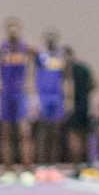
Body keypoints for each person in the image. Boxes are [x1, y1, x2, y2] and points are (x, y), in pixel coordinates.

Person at [0, 18, 34, 176]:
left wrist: (31, 81)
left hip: (20, 94)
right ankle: (8, 170)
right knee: (6, 132)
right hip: (5, 95)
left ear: (20, 29)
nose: (13, 30)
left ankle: (26, 169)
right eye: (10, 27)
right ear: (6, 30)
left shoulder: (27, 48)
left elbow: (42, 64)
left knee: (24, 131)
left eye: (16, 27)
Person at [32, 30, 68, 169]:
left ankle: (53, 164)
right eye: (48, 38)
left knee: (55, 132)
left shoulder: (61, 56)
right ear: (45, 40)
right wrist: (35, 96)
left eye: (53, 38)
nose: (51, 40)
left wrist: (67, 97)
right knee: (43, 131)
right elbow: (32, 72)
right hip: (43, 96)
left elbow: (66, 76)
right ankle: (41, 163)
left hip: (57, 96)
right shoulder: (40, 56)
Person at [64, 45, 96, 171]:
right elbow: (94, 85)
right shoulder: (84, 68)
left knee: (75, 137)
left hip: (77, 106)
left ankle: (78, 165)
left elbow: (69, 91)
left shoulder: (70, 70)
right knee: (85, 136)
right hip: (85, 105)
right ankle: (87, 164)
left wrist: (68, 108)